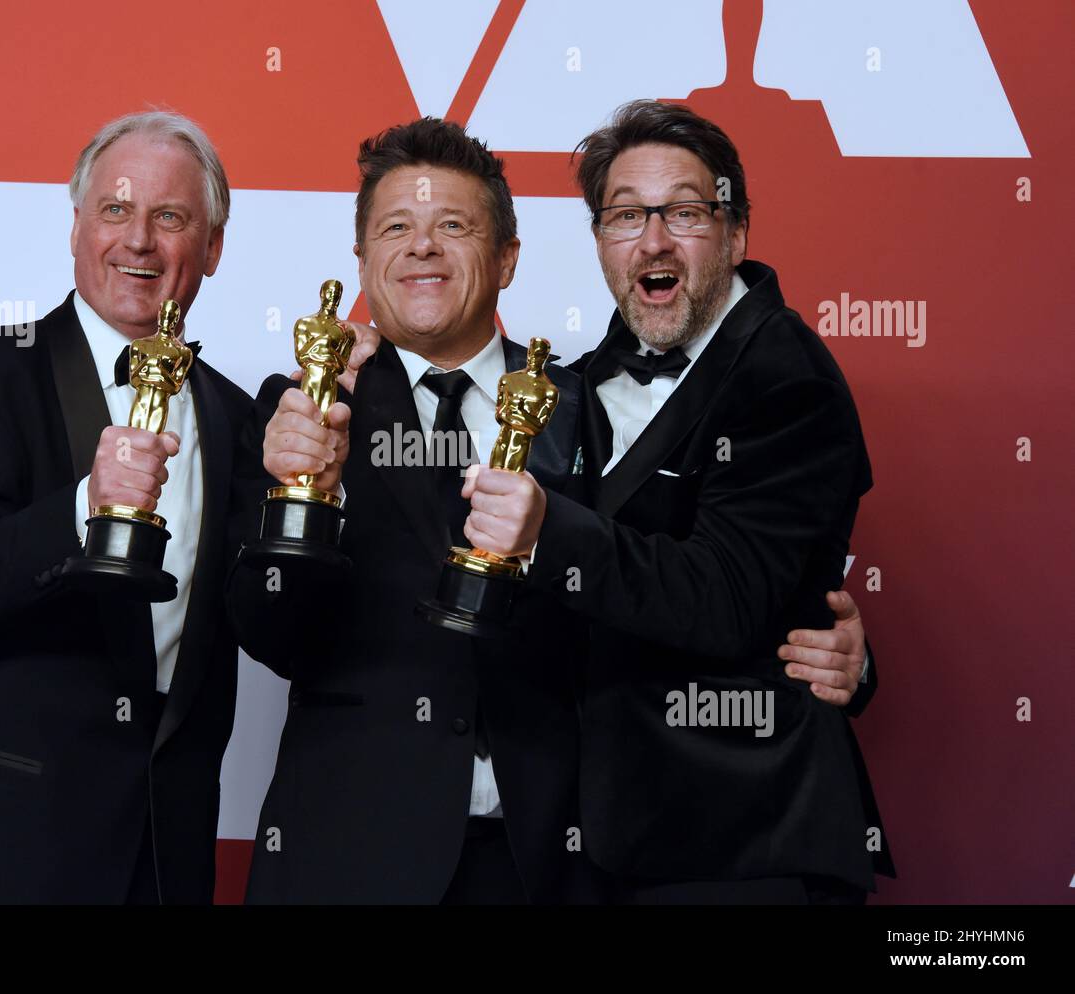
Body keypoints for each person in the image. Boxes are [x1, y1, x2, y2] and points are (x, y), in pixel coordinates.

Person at [229, 117, 870, 904]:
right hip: (346, 853)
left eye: (454, 226)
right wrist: (309, 507)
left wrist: (836, 647)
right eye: (397, 227)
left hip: (556, 861)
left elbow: (700, 579)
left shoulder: (590, 406)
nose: (423, 246)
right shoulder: (303, 406)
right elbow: (269, 633)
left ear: (507, 258)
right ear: (362, 260)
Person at [466, 100, 893, 903]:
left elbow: (727, 598)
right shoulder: (579, 383)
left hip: (741, 838)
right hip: (599, 838)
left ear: (734, 234)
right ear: (600, 240)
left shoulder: (786, 376)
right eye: (626, 215)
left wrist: (546, 531)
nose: (653, 240)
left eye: (685, 212)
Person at [0, 111, 264, 904]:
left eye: (169, 217)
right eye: (114, 210)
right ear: (76, 227)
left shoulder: (239, 419)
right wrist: (85, 508)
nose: (138, 240)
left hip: (160, 866)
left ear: (212, 247)